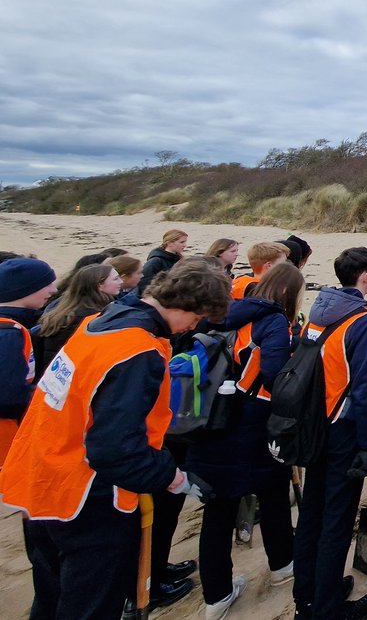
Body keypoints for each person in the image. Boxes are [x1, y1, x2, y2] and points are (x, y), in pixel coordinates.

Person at [0, 260, 229, 619]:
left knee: (51, 595)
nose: (193, 327)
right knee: (89, 606)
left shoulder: (101, 321)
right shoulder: (136, 350)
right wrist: (174, 478)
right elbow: (115, 449)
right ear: (186, 307)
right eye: (197, 319)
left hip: (43, 478)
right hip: (85, 497)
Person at [188, 262, 301, 619]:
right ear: (289, 293)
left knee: (217, 512)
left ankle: (216, 596)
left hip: (210, 420)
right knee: (273, 496)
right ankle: (282, 565)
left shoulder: (219, 314)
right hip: (251, 422)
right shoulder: (273, 321)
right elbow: (273, 375)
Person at [292, 246, 367, 620]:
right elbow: (362, 390)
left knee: (312, 512)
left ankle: (310, 592)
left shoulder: (319, 311)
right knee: (336, 518)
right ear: (364, 276)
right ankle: (327, 606)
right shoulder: (362, 321)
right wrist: (366, 444)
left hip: (313, 423)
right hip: (342, 429)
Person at [0, 258, 56, 468]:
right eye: (47, 285)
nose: (54, 290)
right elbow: (7, 396)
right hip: (5, 442)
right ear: (25, 290)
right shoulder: (8, 332)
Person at [33, 263, 119, 379]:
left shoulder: (62, 307)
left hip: (53, 377)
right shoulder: (91, 317)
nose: (120, 282)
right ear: (99, 285)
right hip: (68, 379)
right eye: (115, 279)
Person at [138, 229, 189, 295]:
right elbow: (144, 284)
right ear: (169, 243)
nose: (185, 245)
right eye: (181, 242)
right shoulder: (155, 261)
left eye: (185, 242)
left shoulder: (181, 259)